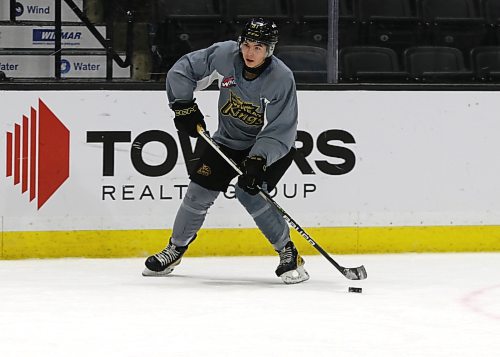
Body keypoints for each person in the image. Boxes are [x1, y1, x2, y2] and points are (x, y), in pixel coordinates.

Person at [143, 18, 309, 284]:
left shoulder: (281, 78)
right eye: (246, 45)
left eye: (258, 47)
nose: (250, 53)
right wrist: (183, 105)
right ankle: (175, 249)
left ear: (270, 50)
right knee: (198, 192)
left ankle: (288, 251)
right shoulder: (224, 54)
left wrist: (258, 159)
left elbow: (281, 128)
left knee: (250, 194)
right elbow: (182, 70)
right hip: (227, 142)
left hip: (270, 148)